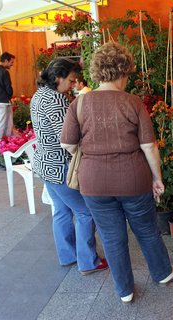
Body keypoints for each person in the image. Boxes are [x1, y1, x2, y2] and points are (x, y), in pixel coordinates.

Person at [60, 42, 173, 305]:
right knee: (147, 230)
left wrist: (92, 157)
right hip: (133, 179)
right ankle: (162, 273)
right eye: (128, 74)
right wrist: (157, 178)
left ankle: (124, 290)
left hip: (93, 183)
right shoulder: (133, 102)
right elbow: (148, 146)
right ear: (122, 72)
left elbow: (68, 145)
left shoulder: (79, 104)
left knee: (111, 237)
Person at [30, 57, 108, 275]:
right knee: (85, 212)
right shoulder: (55, 99)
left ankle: (68, 256)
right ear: (57, 78)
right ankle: (88, 262)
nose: (73, 85)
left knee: (62, 211)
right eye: (71, 80)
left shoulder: (39, 95)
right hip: (60, 167)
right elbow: (66, 138)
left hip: (45, 165)